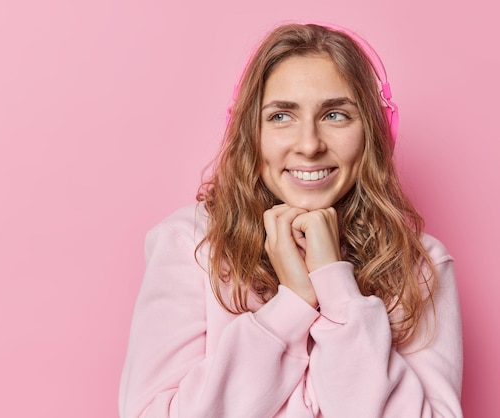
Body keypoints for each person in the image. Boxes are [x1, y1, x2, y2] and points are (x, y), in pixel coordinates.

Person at [119, 22, 463, 417]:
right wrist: (292, 307)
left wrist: (335, 285)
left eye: (335, 115)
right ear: (251, 131)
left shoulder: (421, 265)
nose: (309, 144)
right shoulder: (190, 246)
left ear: (373, 131)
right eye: (282, 116)